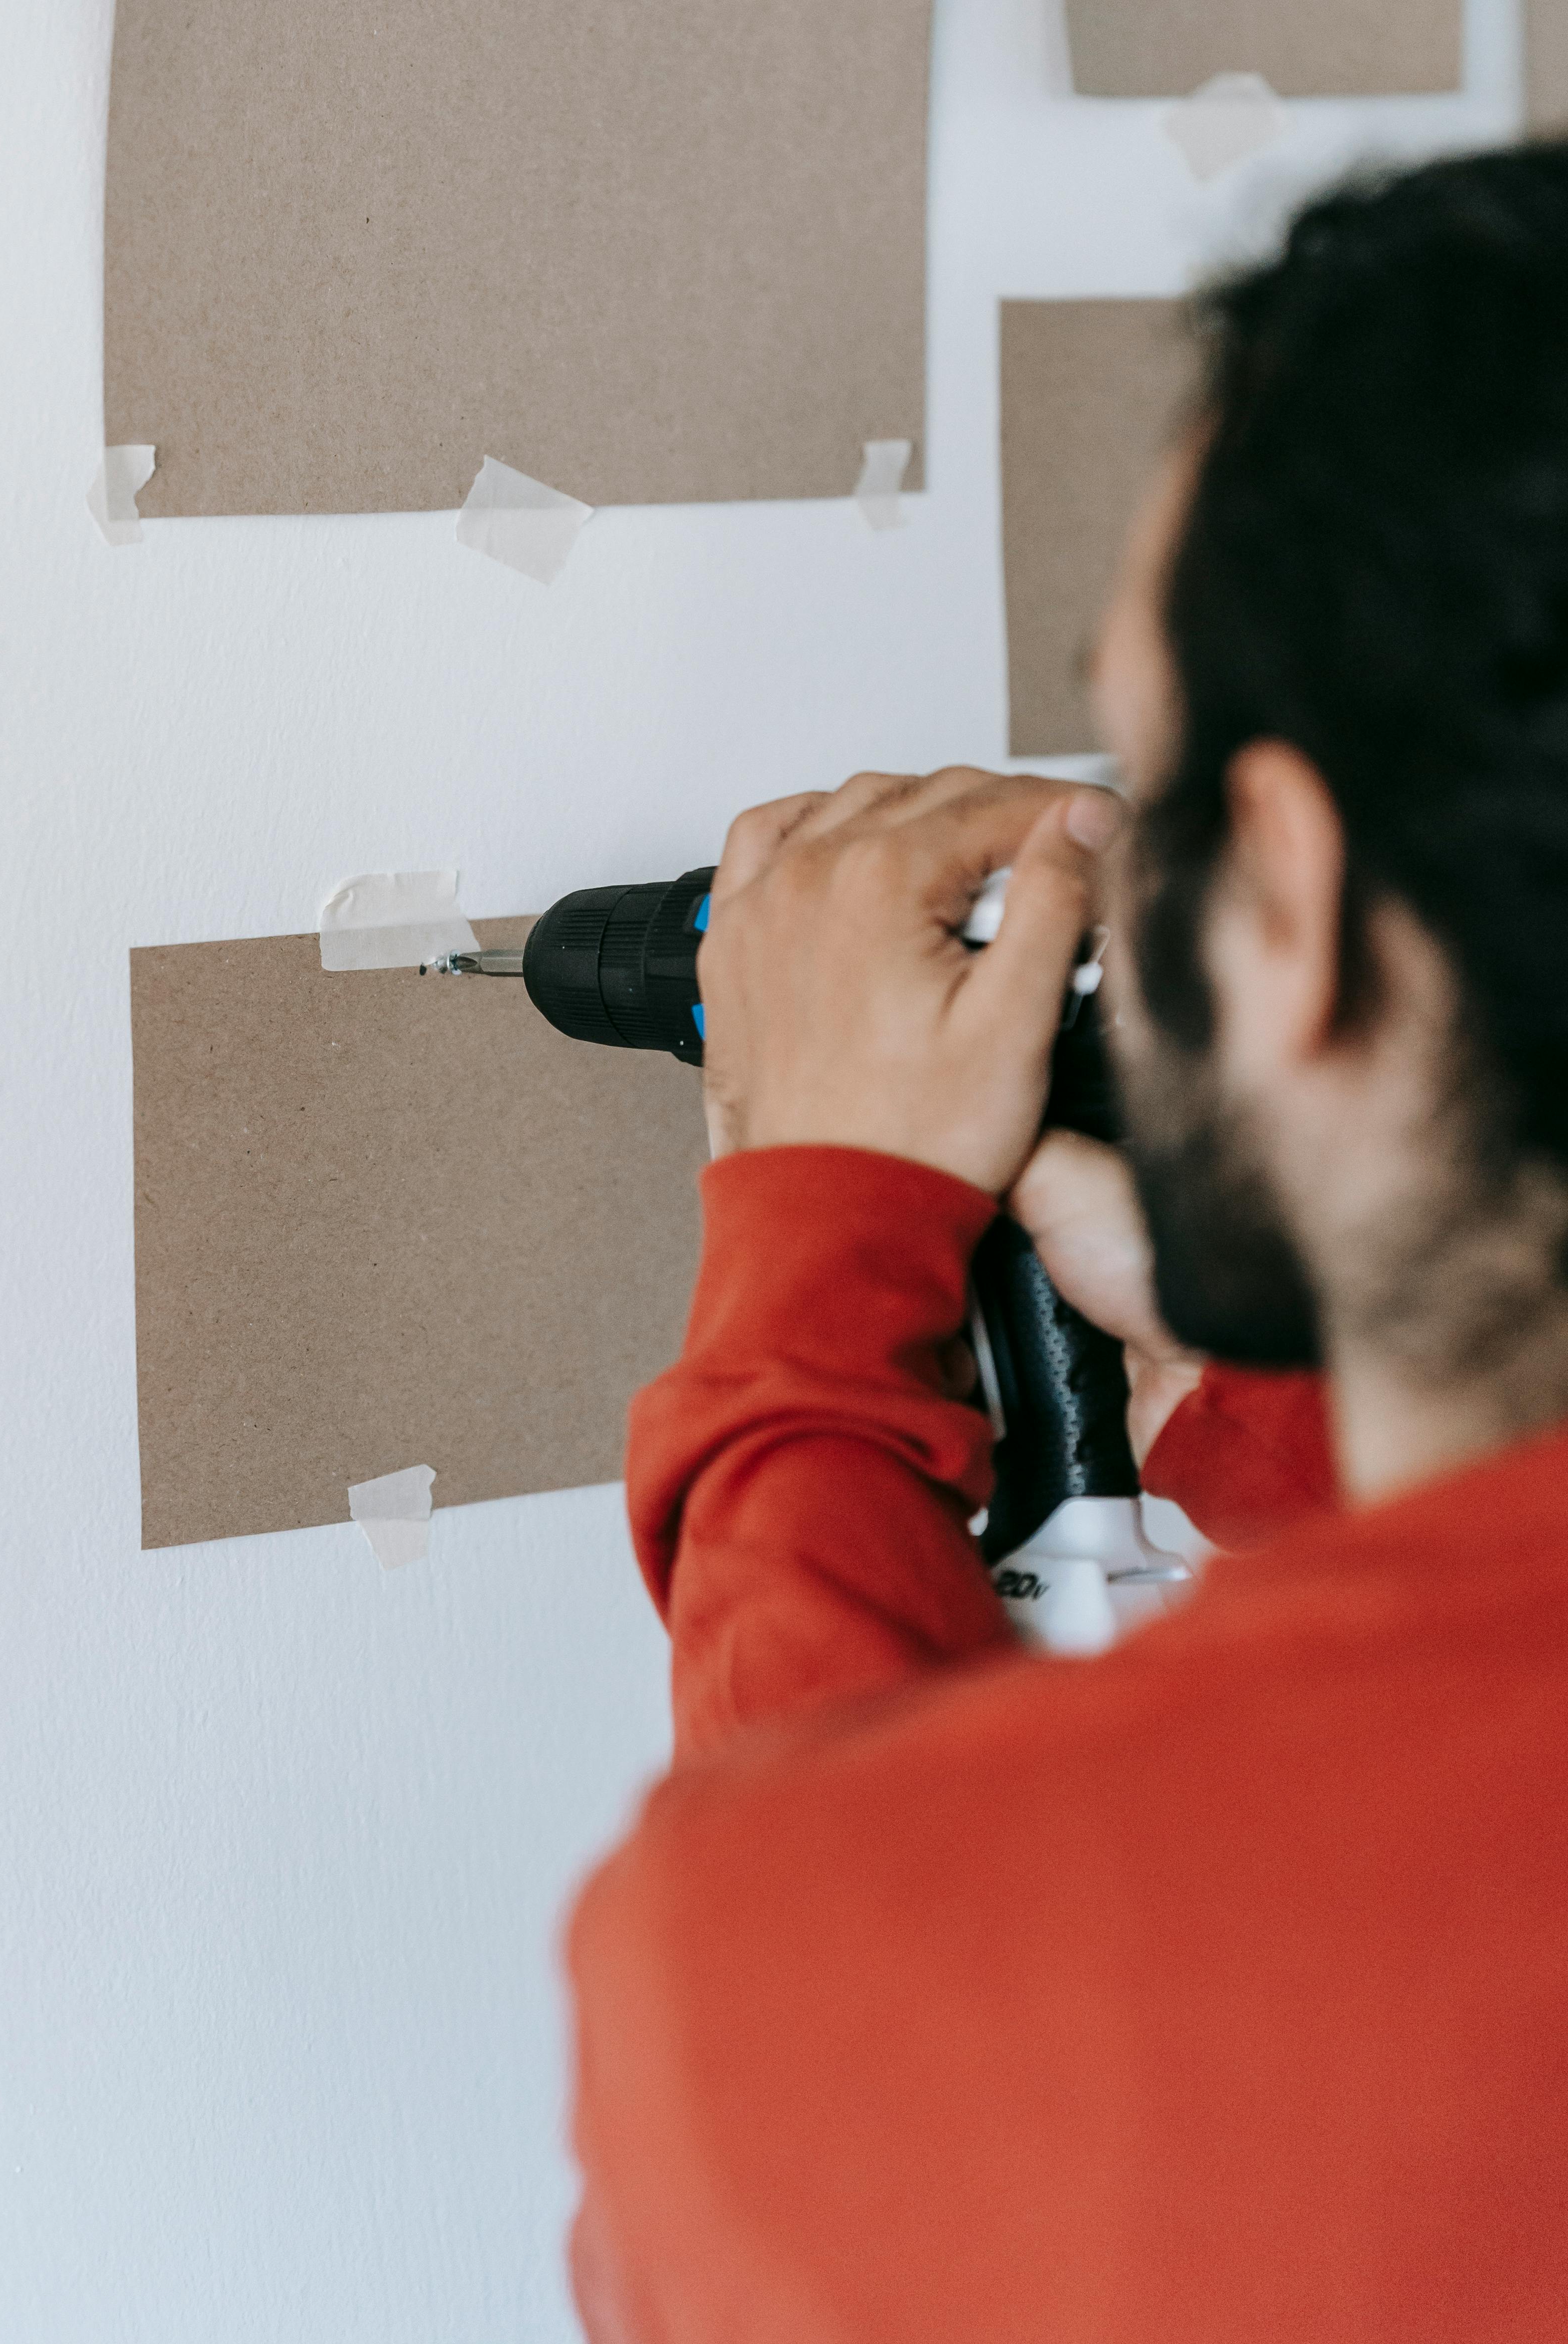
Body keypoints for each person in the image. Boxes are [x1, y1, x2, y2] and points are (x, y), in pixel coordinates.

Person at [564, 141, 1568, 2343]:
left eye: (1140, 779)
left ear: (1285, 914)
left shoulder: (883, 1980)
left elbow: (832, 2019)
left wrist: (814, 1260)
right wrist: (1280, 1391)